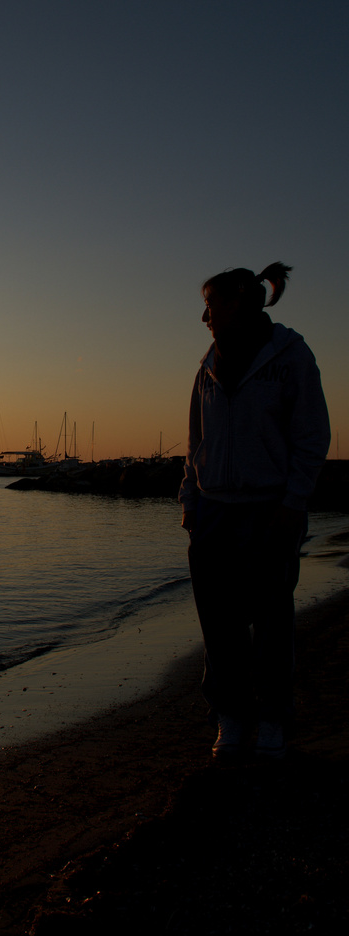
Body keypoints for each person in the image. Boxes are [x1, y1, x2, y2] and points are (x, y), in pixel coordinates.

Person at [179, 263, 330, 759]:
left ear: (240, 300)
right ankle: (230, 717)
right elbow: (196, 442)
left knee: (270, 623)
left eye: (212, 303)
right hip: (215, 515)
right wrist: (192, 501)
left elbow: (311, 437)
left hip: (269, 511)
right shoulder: (208, 365)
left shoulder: (290, 358)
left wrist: (292, 503)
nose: (205, 315)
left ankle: (271, 720)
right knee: (219, 627)